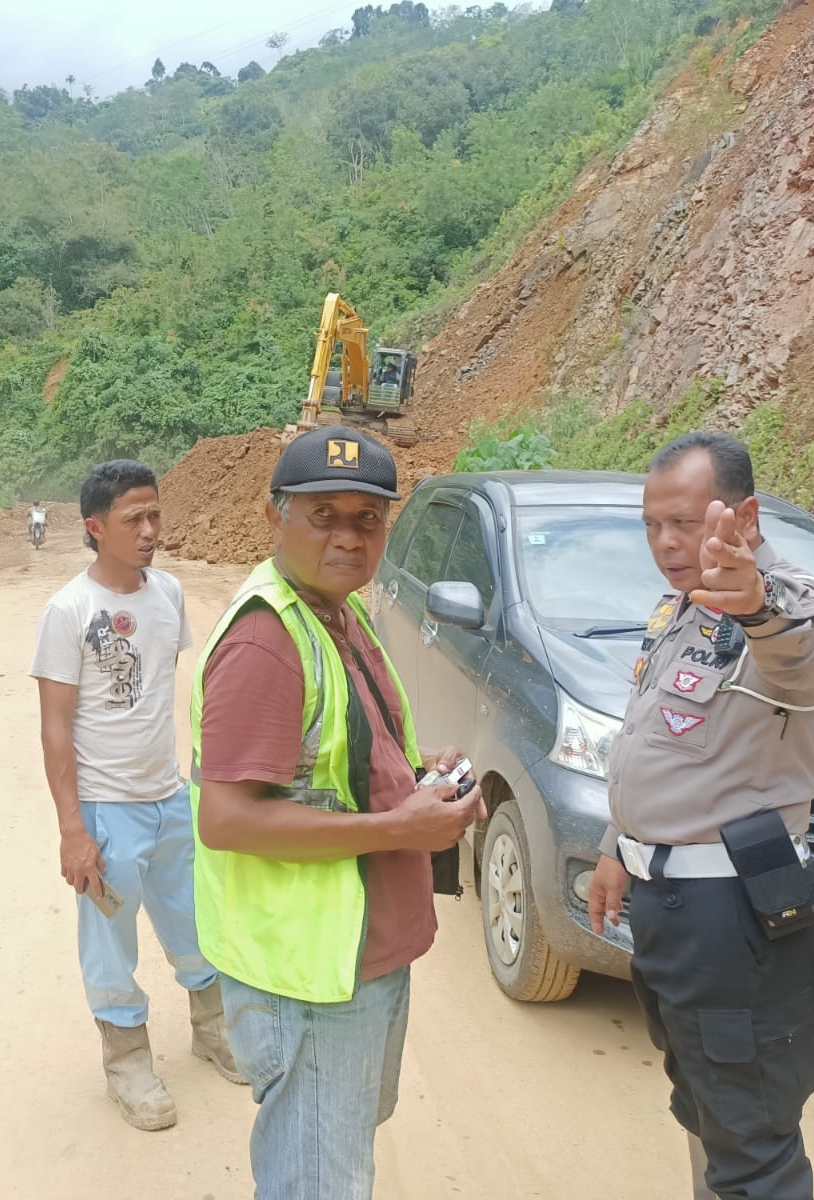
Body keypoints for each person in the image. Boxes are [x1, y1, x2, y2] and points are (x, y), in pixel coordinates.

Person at [190, 426, 485, 1199]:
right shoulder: (268, 640)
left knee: (334, 1158)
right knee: (319, 1183)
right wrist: (398, 829)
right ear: (274, 516)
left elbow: (340, 762)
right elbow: (225, 818)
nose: (349, 538)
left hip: (357, 957)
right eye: (324, 516)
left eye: (368, 519)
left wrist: (421, 780)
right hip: (311, 975)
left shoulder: (338, 616)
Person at [585, 432, 814, 1200]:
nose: (667, 543)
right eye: (652, 524)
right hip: (671, 907)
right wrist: (616, 845)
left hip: (736, 917)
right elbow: (657, 742)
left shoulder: (793, 603)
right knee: (706, 1107)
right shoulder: (681, 608)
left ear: (747, 514)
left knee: (753, 1142)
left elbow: (801, 655)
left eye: (687, 522)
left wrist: (757, 605)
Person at [30, 460, 243, 1132]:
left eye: (155, 514)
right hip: (105, 809)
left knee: (196, 923)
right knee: (110, 940)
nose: (151, 529)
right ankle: (126, 1063)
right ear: (96, 528)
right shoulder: (68, 611)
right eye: (134, 519)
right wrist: (73, 829)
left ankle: (212, 1031)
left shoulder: (170, 595)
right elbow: (55, 726)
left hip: (169, 799)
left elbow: (172, 693)